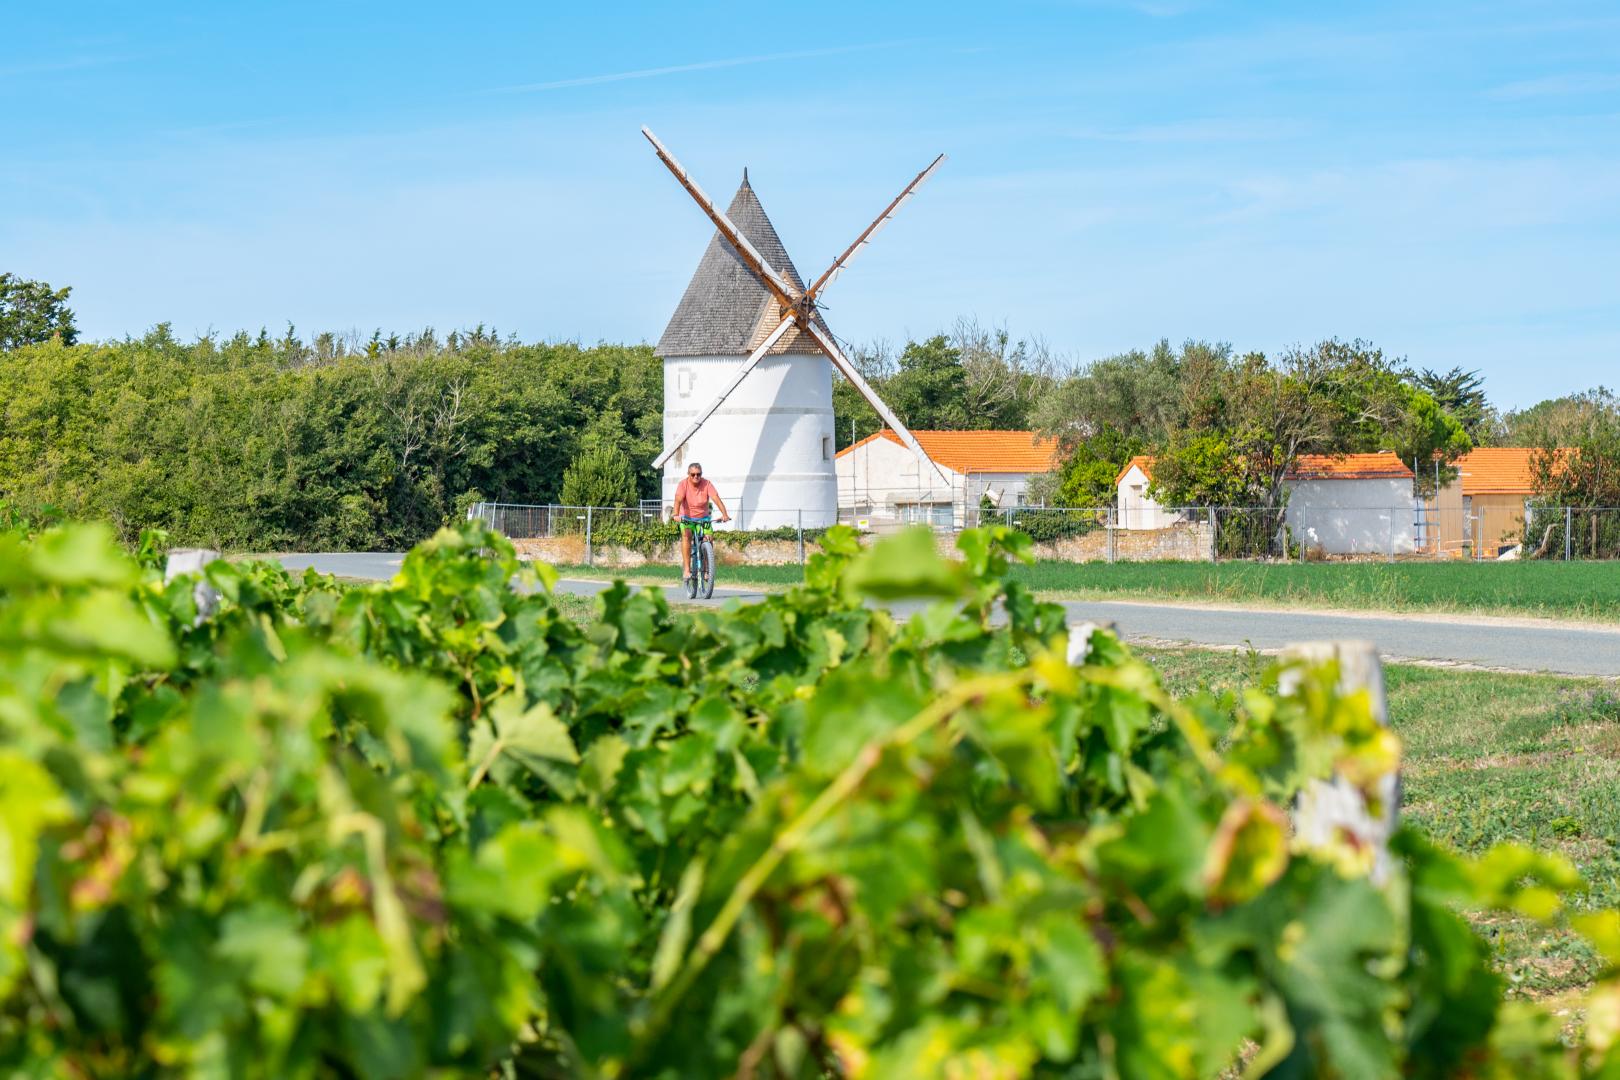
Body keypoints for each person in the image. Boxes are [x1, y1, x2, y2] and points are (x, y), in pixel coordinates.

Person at [670, 463, 730, 581]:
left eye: (698, 474)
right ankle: (687, 569)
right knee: (686, 535)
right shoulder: (683, 484)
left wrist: (725, 514)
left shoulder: (706, 484)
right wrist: (676, 514)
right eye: (693, 474)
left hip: (703, 518)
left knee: (709, 538)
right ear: (688, 474)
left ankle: (707, 569)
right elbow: (677, 500)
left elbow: (716, 499)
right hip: (686, 518)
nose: (696, 477)